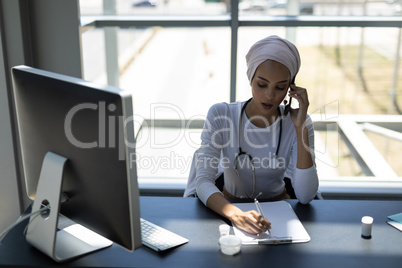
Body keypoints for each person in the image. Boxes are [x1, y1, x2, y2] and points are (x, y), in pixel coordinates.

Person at [187, 35, 319, 235]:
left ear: (291, 88)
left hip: (280, 214)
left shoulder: (299, 122)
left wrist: (301, 128)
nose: (269, 95)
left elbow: (306, 196)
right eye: (262, 84)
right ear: (250, 78)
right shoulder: (221, 114)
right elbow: (203, 181)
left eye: (280, 87)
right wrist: (236, 215)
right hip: (230, 207)